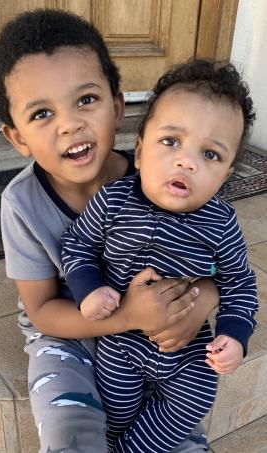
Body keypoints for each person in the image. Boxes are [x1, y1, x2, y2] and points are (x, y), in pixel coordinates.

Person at [0, 9, 218, 453]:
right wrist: (127, 316)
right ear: (17, 138)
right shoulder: (22, 204)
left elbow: (217, 263)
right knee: (67, 429)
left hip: (149, 335)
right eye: (41, 113)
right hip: (67, 332)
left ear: (116, 106)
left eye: (86, 100)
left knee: (177, 427)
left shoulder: (162, 181)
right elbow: (41, 311)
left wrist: (203, 298)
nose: (69, 123)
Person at [61, 59, 258, 452]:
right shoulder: (114, 201)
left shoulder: (220, 221)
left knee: (193, 402)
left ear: (226, 175)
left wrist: (234, 336)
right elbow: (77, 244)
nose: (186, 161)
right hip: (122, 341)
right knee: (114, 410)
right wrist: (88, 290)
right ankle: (119, 440)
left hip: (188, 350)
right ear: (138, 152)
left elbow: (239, 281)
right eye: (170, 142)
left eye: (211, 155)